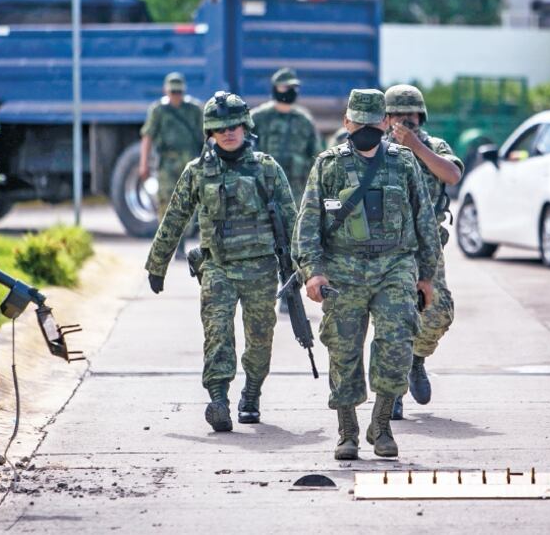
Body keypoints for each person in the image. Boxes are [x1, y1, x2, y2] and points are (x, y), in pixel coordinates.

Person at [294, 88, 441, 460]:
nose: (366, 130)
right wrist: (313, 273)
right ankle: (347, 431)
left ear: (385, 123)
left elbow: (425, 221)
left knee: (396, 343)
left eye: (374, 123)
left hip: (394, 266)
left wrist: (427, 277)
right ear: (346, 123)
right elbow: (308, 223)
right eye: (358, 123)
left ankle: (382, 425)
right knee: (343, 349)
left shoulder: (404, 163)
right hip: (343, 268)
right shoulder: (328, 165)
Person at [145, 91, 296, 432]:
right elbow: (174, 219)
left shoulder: (267, 169)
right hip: (218, 267)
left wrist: (304, 269)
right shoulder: (197, 172)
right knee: (217, 334)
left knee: (260, 338)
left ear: (246, 127)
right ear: (209, 133)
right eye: (219, 128)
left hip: (260, 270)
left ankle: (252, 394)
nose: (228, 133)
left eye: (234, 126)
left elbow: (293, 220)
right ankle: (218, 400)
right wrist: (157, 264)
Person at [383, 84, 463, 420]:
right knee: (394, 320)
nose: (405, 120)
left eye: (411, 115)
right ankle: (394, 390)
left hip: (427, 249)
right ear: (386, 119)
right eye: (398, 115)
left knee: (439, 312)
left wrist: (416, 147)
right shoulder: (376, 148)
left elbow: (453, 174)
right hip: (386, 250)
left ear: (421, 116)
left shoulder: (434, 146)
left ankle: (417, 359)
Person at [139, 72, 204, 228]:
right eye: (173, 92)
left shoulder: (194, 109)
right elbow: (147, 137)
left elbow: (206, 136)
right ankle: (168, 241)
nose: (176, 95)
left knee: (187, 204)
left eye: (179, 92)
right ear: (165, 91)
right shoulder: (159, 111)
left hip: (189, 162)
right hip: (167, 164)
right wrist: (144, 164)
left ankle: (181, 243)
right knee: (166, 203)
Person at [251, 67, 322, 203]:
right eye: (285, 87)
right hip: (263, 189)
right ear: (275, 88)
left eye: (294, 87)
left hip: (296, 192)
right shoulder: (258, 117)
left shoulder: (304, 120)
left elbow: (315, 157)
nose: (290, 91)